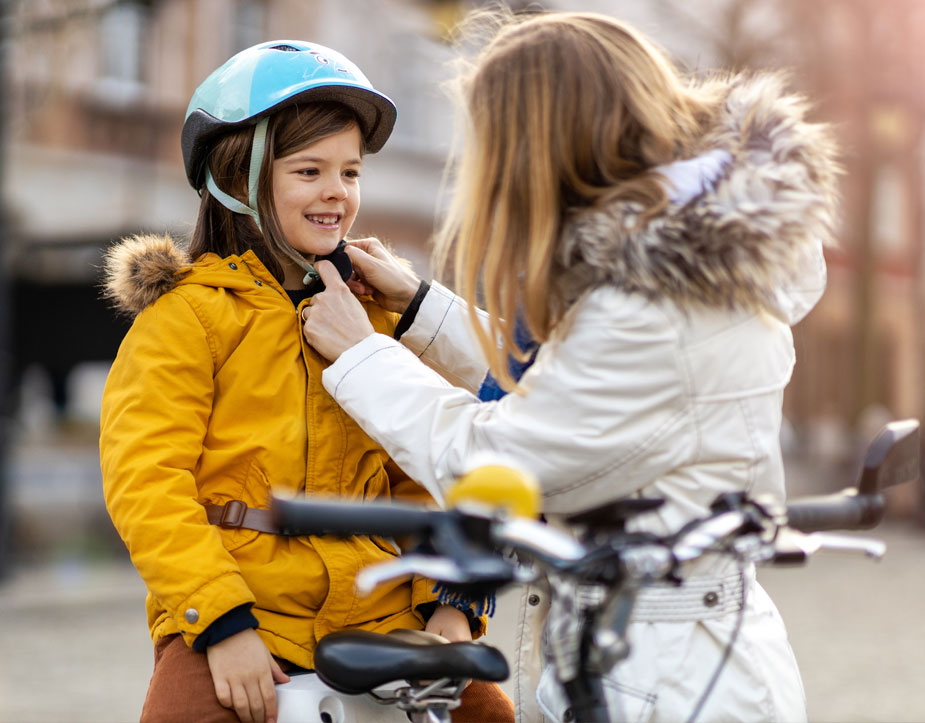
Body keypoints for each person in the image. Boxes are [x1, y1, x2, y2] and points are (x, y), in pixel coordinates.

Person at [299, 10, 840, 723]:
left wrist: (364, 356)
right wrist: (421, 309)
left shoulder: (651, 311)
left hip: (666, 680)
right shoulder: (674, 276)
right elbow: (572, 388)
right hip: (673, 656)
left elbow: (498, 460)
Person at [99, 40, 514, 723]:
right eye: (309, 170)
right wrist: (221, 625)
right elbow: (146, 483)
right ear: (241, 175)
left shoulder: (376, 316)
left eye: (350, 172)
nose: (337, 192)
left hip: (381, 608)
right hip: (244, 609)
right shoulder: (188, 317)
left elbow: (429, 466)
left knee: (492, 714)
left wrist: (451, 602)